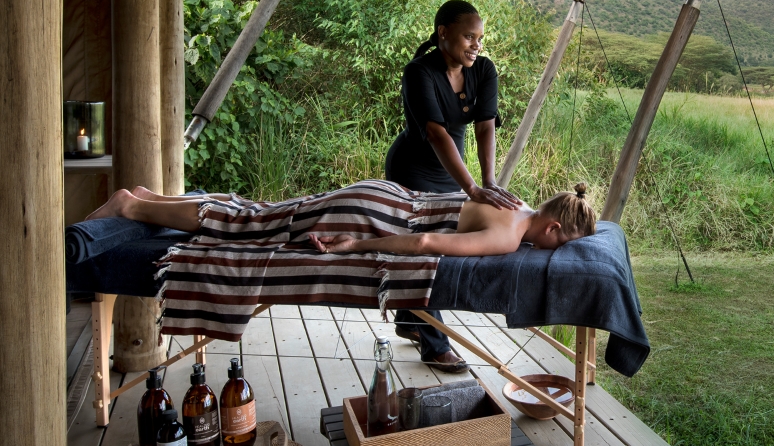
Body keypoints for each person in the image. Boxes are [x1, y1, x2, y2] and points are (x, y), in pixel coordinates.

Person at [383, 0, 518, 371]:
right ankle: (435, 344)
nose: (476, 45)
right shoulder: (419, 72)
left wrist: (488, 181)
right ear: (443, 33)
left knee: (439, 248)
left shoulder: (484, 70)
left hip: (452, 174)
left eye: (480, 38)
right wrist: (473, 189)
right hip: (412, 171)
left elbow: (485, 125)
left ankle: (411, 321)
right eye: (468, 36)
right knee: (425, 251)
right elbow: (435, 132)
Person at [85, 181, 597, 257]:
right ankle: (131, 207)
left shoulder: (518, 203)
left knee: (264, 212)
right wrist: (357, 247)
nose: (554, 249)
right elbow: (422, 246)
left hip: (385, 192)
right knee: (252, 226)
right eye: (562, 243)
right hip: (377, 215)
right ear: (552, 228)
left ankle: (148, 196)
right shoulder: (510, 236)